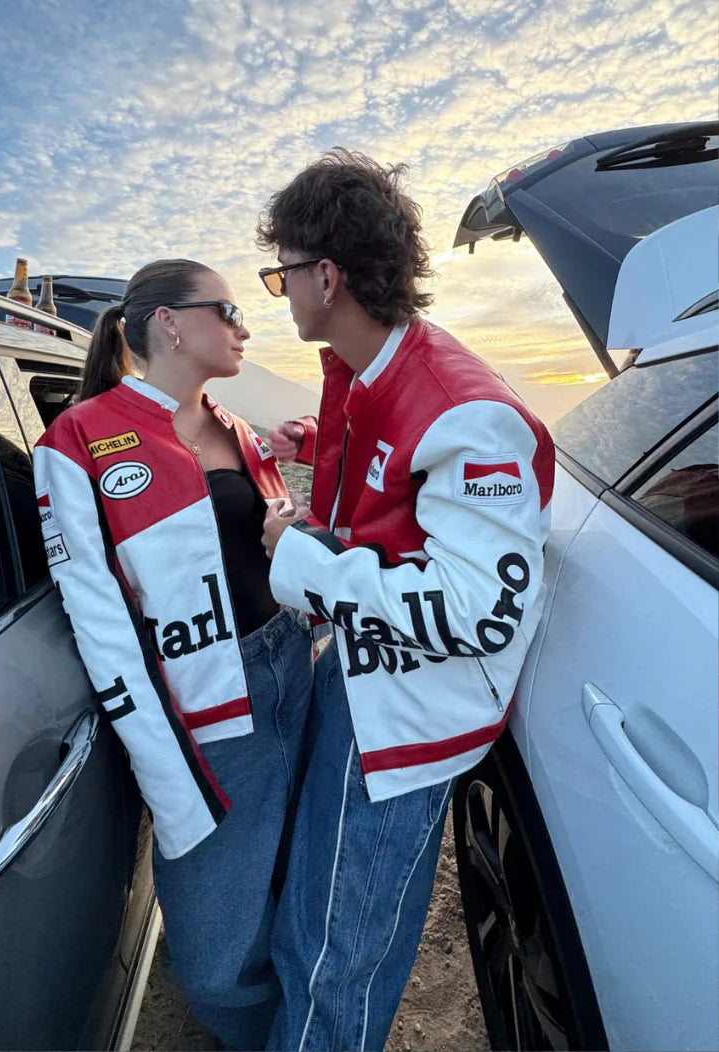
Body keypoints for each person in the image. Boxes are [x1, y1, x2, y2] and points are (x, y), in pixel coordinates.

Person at [256, 150, 555, 1052]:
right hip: (369, 670)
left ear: (326, 276)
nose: (279, 292)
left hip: (402, 709)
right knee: (326, 931)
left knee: (332, 957)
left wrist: (299, 560)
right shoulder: (371, 367)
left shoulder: (465, 411)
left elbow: (480, 610)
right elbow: (393, 480)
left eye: (281, 273)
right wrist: (311, 443)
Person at [32, 259, 313, 1051]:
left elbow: (263, 541)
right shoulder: (77, 439)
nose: (245, 326)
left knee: (292, 868)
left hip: (293, 663)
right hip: (207, 704)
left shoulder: (234, 425)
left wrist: (294, 513)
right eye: (228, 310)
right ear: (168, 323)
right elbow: (97, 616)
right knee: (217, 956)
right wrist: (161, 758)